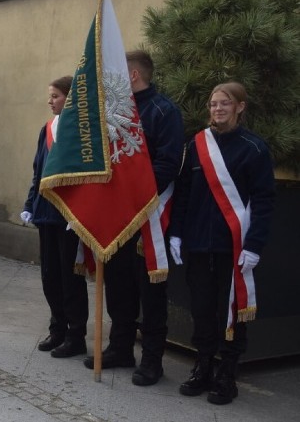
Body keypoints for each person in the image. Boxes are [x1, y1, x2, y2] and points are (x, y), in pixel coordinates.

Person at [83, 50, 185, 387]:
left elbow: (169, 164)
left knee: (150, 290)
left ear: (134, 75)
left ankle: (152, 360)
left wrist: (131, 192)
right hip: (117, 214)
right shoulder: (114, 111)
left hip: (148, 216)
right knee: (118, 284)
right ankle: (120, 347)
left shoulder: (163, 111)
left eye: (116, 72)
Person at [170, 81, 274, 405]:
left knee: (231, 311)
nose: (217, 109)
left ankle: (227, 373)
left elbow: (265, 200)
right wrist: (176, 232)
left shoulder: (254, 149)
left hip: (234, 247)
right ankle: (202, 366)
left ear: (240, 107)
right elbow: (183, 193)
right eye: (213, 104)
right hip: (200, 244)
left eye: (225, 103)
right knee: (202, 310)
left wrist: (254, 245)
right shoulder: (196, 145)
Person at [22, 76, 89, 358]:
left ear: (70, 98)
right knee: (49, 274)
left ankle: (76, 335)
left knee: (69, 276)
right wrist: (29, 203)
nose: (50, 101)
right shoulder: (47, 129)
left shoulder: (83, 132)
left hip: (70, 216)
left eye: (55, 96)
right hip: (46, 212)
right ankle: (57, 327)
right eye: (50, 96)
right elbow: (38, 171)